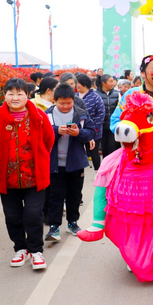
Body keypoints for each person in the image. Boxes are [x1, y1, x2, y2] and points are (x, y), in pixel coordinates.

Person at [79, 54, 153, 241]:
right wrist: (131, 133)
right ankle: (97, 224)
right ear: (143, 73)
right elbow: (116, 121)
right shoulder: (130, 95)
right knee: (106, 168)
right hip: (135, 148)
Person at [0, 78, 55, 270]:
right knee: (12, 216)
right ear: (5, 95)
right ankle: (20, 248)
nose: (15, 97)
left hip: (34, 177)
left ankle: (36, 251)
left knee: (33, 215)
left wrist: (39, 160)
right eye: (11, 93)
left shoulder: (39, 116)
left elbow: (49, 141)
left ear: (28, 95)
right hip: (7, 179)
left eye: (20, 93)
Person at [44, 83, 97, 240]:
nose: (65, 106)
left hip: (75, 163)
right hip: (54, 164)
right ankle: (54, 226)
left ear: (73, 100)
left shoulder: (81, 114)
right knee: (55, 195)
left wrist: (78, 133)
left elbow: (90, 133)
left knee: (74, 195)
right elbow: (41, 134)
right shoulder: (47, 115)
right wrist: (56, 131)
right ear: (55, 100)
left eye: (69, 103)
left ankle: (73, 222)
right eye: (61, 103)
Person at [75, 73, 106, 168]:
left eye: (78, 83)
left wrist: (94, 129)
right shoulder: (74, 96)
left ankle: (98, 172)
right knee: (78, 152)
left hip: (94, 132)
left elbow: (100, 114)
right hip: (78, 131)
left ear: (84, 84)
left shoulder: (95, 97)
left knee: (94, 152)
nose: (76, 85)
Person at [96, 74, 121, 162]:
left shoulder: (117, 94)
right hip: (102, 126)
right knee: (104, 148)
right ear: (103, 83)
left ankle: (114, 166)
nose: (113, 83)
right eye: (110, 81)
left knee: (113, 147)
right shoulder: (96, 94)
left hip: (113, 126)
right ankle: (106, 166)